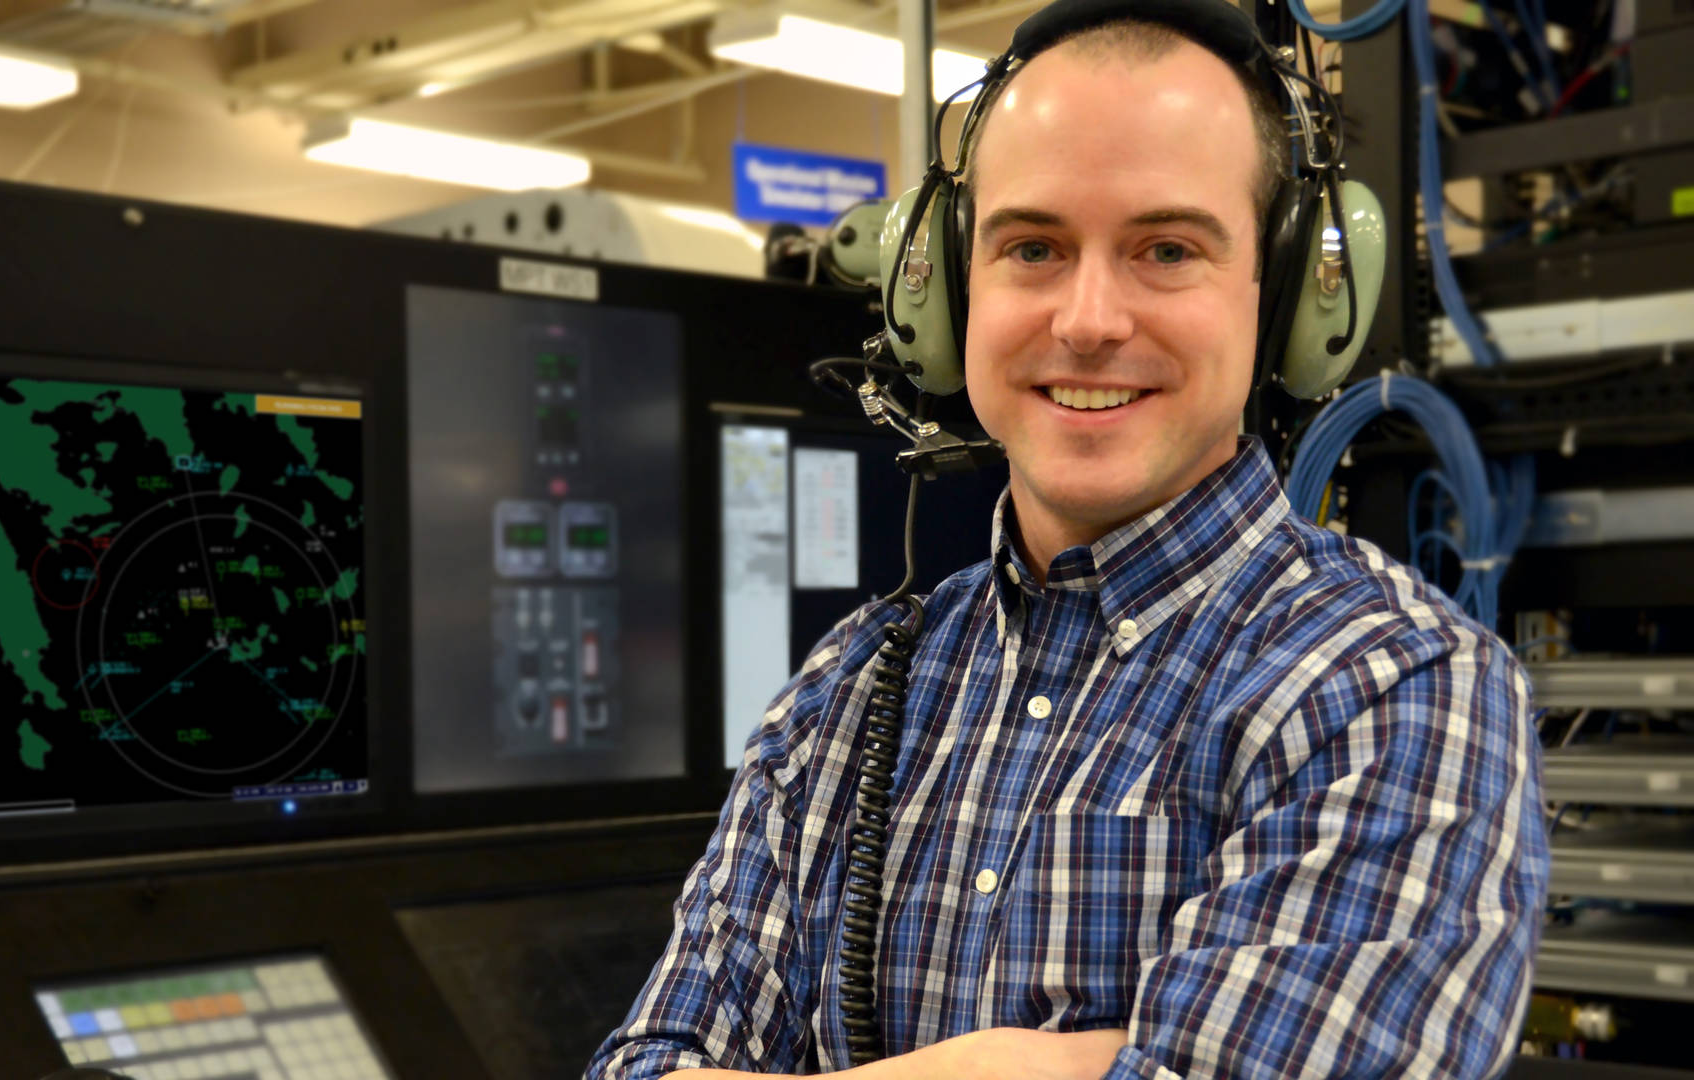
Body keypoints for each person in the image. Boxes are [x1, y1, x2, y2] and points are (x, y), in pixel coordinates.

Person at [588, 4, 1548, 1078]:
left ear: (1281, 299)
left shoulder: (1394, 690)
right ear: (947, 290)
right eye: (1033, 246)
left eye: (1167, 249)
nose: (1089, 320)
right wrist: (1061, 1062)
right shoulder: (847, 693)